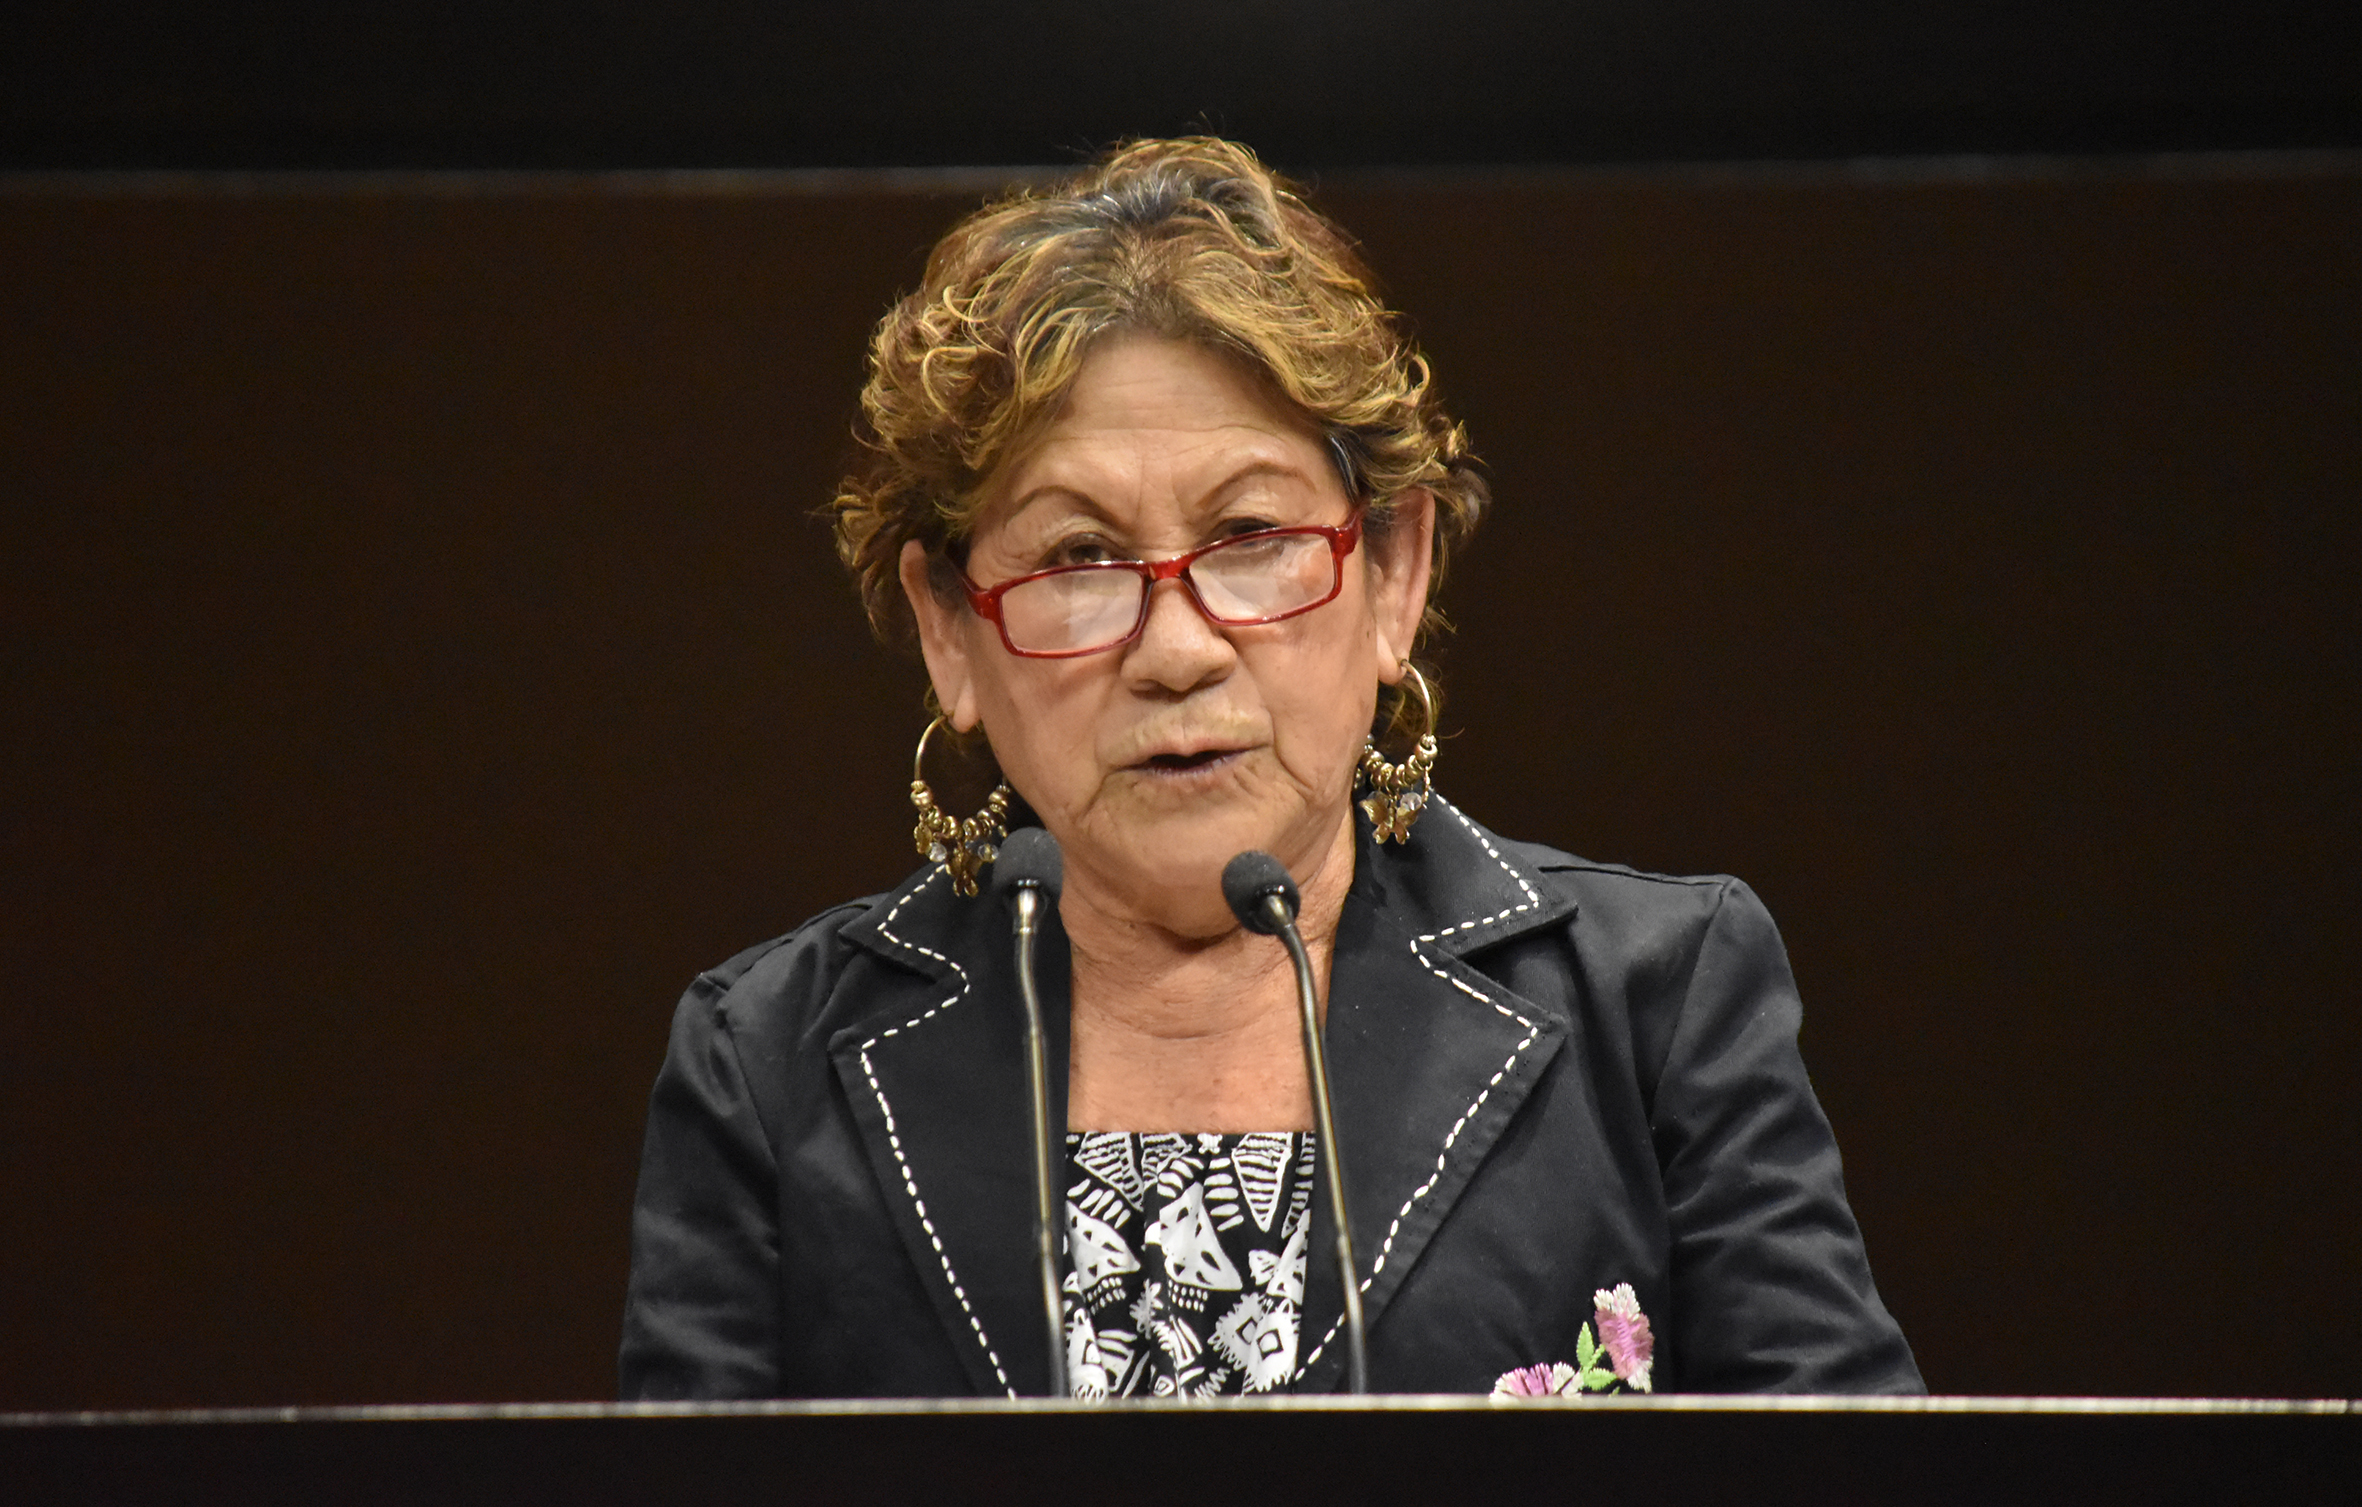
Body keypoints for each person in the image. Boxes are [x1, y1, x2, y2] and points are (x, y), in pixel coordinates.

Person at [619, 136, 1920, 1400]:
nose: (1176, 651)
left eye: (1250, 535)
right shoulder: (770, 1065)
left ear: (1393, 572)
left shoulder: (1654, 1006)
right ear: (950, 630)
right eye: (1078, 558)